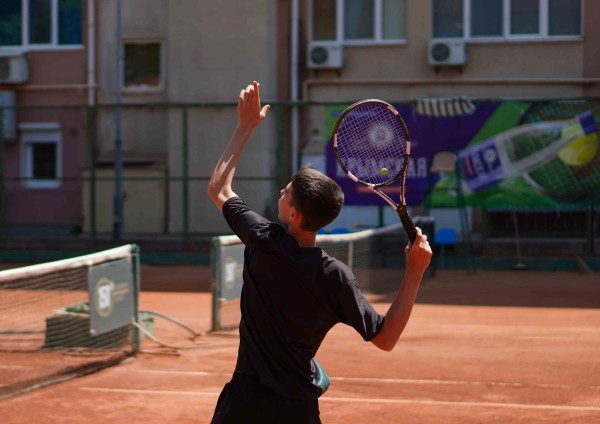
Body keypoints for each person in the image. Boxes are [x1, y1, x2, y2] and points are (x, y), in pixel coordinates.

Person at [208, 81, 432, 424]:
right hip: (298, 408)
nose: (281, 192)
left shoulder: (263, 240)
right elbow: (386, 339)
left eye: (286, 192)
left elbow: (219, 188)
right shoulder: (335, 276)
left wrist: (245, 126)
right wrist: (414, 271)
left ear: (294, 214)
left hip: (245, 403)